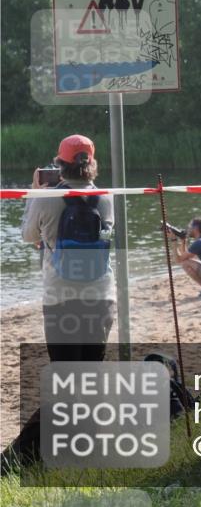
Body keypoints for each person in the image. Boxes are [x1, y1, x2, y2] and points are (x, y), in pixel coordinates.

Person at [22, 134, 115, 358]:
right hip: (100, 295)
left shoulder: (46, 197)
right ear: (92, 163)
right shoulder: (106, 197)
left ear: (60, 164)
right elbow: (107, 237)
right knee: (91, 370)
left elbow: (28, 235)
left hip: (60, 297)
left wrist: (33, 193)